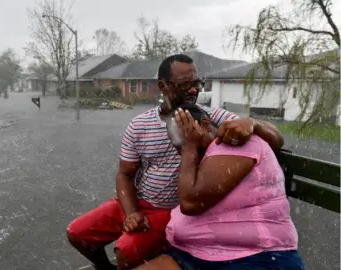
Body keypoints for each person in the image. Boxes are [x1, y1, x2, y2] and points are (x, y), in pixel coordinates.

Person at [66, 54, 285, 270]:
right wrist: (132, 212)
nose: (194, 89)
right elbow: (125, 174)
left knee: (126, 250)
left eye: (197, 82)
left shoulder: (207, 116)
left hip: (170, 212)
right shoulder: (140, 125)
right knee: (78, 233)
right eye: (185, 84)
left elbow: (276, 139)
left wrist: (252, 123)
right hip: (136, 202)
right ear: (163, 86)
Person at [135, 105, 304, 270]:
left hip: (254, 257)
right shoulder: (206, 153)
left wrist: (189, 147)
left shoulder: (235, 142)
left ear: (205, 124)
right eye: (178, 146)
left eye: (187, 137)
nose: (183, 151)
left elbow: (191, 202)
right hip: (194, 255)